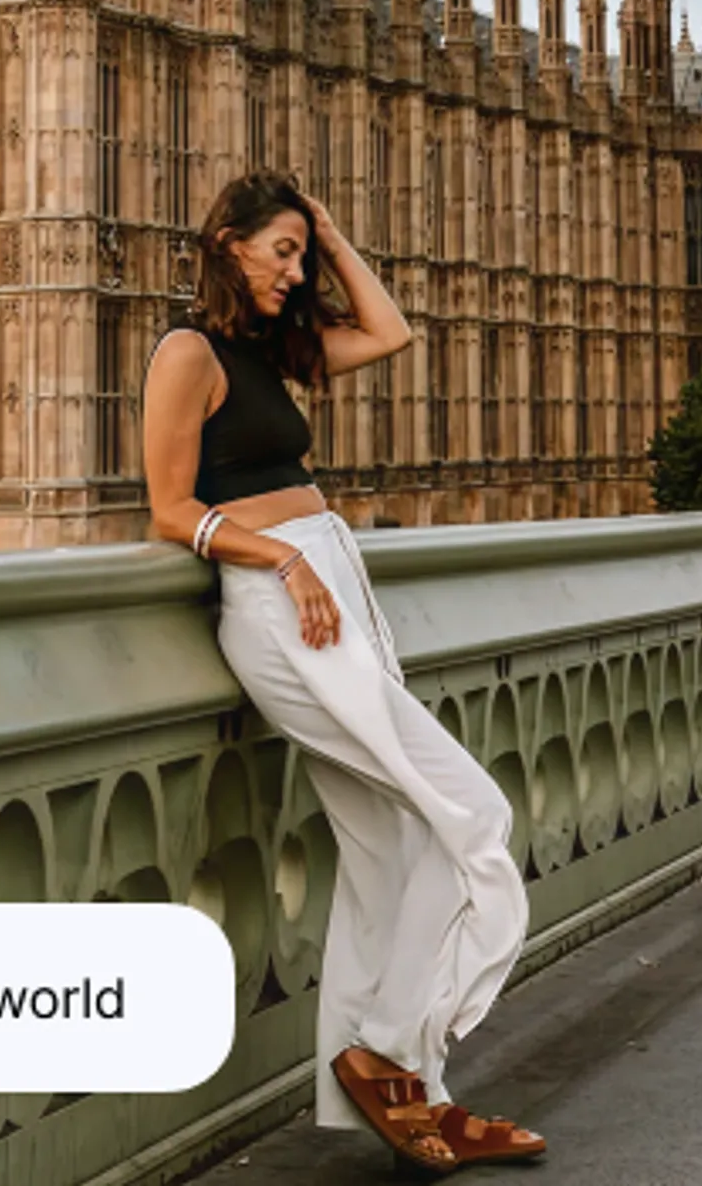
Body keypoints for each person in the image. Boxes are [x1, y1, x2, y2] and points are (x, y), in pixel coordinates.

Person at [141, 170, 546, 1175]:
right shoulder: (186, 351)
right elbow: (165, 507)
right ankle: (396, 1055)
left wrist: (323, 228)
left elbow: (392, 329)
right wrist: (280, 557)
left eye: (301, 256)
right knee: (473, 817)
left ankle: (410, 1097)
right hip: (284, 608)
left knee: (389, 846)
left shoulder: (273, 351)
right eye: (279, 251)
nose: (295, 271)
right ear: (225, 242)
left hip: (331, 593)